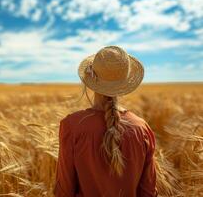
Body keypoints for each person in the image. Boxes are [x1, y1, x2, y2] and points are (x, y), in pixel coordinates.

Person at [53, 46, 158, 197]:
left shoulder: (72, 125)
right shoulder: (141, 128)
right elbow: (148, 191)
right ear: (125, 82)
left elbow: (64, 190)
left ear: (90, 79)